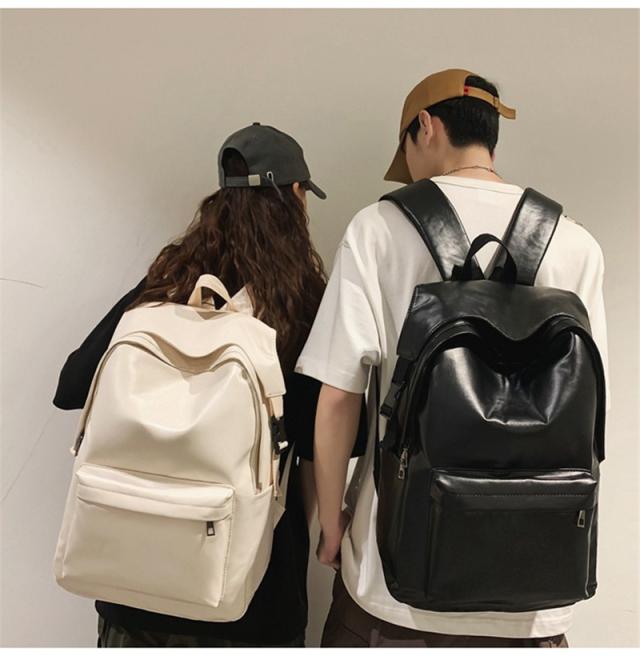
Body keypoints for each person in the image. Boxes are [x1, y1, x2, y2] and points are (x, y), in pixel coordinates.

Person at [295, 68, 610, 648]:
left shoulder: (379, 229)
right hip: (535, 598)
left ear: (426, 126)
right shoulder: (575, 242)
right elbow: (588, 417)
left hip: (392, 589)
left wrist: (333, 523)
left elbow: (338, 396)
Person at [52, 122, 366, 647]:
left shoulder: (166, 284)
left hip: (133, 589)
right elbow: (333, 441)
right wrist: (328, 528)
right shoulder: (304, 305)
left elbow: (71, 386)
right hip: (251, 595)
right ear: (295, 195)